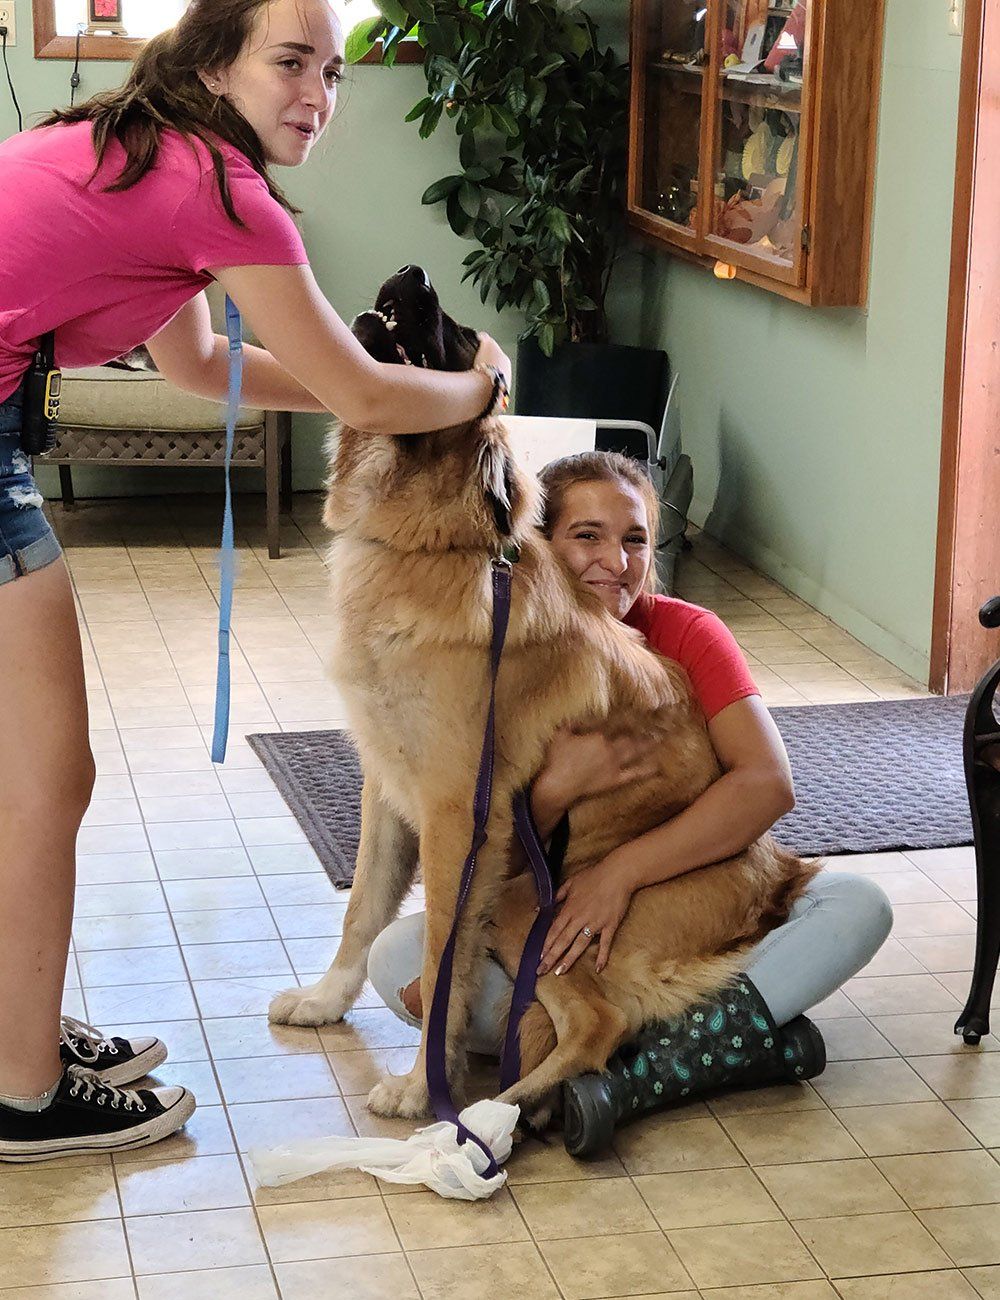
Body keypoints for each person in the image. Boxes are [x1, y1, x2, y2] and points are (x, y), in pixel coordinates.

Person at [0, 0, 511, 1163]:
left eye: (332, 72)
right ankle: (19, 1095)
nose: (316, 95)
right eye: (290, 62)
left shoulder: (160, 159)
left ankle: (11, 1034)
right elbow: (375, 399)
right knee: (44, 776)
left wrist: (366, 383)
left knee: (33, 773)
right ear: (213, 61)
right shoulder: (216, 189)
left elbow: (200, 364)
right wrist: (482, 392)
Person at [367, 450, 894, 1155]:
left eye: (636, 539)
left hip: (689, 881)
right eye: (586, 535)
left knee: (860, 905)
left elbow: (768, 784)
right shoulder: (498, 648)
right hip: (554, 904)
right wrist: (558, 790)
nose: (615, 560)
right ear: (538, 542)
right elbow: (487, 856)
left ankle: (619, 1068)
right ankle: (733, 1037)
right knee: (396, 961)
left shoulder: (687, 630)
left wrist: (620, 875)